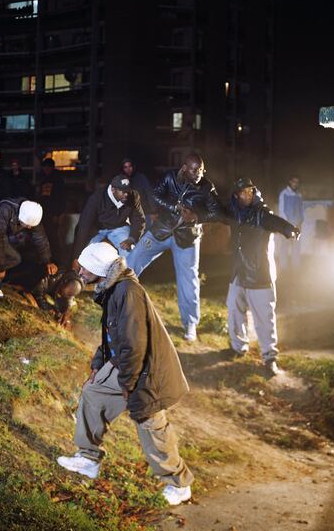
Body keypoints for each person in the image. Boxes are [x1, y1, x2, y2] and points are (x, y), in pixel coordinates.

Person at [56, 242, 194, 506]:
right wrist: (99, 363)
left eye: (85, 267)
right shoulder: (113, 288)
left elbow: (134, 343)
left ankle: (179, 483)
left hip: (146, 371)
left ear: (98, 267)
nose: (80, 271)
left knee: (151, 425)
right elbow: (112, 335)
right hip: (125, 363)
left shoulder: (127, 292)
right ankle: (87, 459)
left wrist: (128, 383)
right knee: (94, 392)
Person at [126, 153, 222, 342]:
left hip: (187, 237)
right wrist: (175, 207)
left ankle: (190, 324)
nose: (198, 174)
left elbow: (216, 212)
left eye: (201, 169)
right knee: (133, 259)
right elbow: (155, 194)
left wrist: (196, 217)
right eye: (194, 170)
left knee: (189, 279)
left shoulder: (206, 187)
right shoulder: (170, 177)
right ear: (184, 168)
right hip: (162, 230)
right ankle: (117, 299)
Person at [226, 178, 299, 375]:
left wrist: (289, 229)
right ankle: (237, 347)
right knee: (233, 309)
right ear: (236, 195)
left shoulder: (261, 213)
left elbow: (274, 221)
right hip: (238, 273)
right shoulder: (233, 211)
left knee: (264, 319)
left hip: (259, 276)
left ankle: (269, 358)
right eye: (244, 192)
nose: (248, 195)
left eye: (251, 191)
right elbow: (214, 212)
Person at [0, 198, 57, 308]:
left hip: (4, 236)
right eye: (27, 225)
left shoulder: (32, 213)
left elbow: (40, 239)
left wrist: (48, 261)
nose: (30, 227)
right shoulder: (4, 210)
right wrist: (1, 267)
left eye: (31, 225)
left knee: (15, 258)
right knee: (8, 258)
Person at [71, 175, 145, 265]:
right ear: (113, 190)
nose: (126, 194)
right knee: (88, 256)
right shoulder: (96, 198)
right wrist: (76, 257)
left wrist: (132, 238)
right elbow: (83, 226)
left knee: (131, 251)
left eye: (128, 191)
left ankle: (128, 278)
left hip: (119, 228)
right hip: (97, 230)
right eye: (123, 191)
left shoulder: (133, 196)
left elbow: (139, 220)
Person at [37, 157, 66, 263]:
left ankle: (57, 259)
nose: (46, 169)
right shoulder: (43, 179)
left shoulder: (57, 179)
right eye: (44, 167)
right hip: (44, 212)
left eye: (47, 167)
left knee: (54, 237)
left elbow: (61, 197)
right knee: (45, 235)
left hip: (53, 212)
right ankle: (48, 258)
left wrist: (58, 214)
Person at [276, 176, 304, 273]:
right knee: (284, 246)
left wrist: (300, 221)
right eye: (294, 182)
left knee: (296, 247)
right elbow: (281, 210)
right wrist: (286, 224)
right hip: (286, 225)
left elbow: (301, 211)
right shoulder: (284, 194)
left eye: (297, 182)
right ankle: (283, 267)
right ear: (290, 182)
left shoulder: (299, 195)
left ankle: (296, 267)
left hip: (297, 225)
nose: (295, 184)